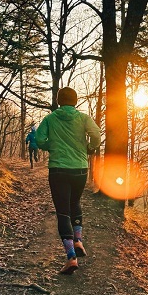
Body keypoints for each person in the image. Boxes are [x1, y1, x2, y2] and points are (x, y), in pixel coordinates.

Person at [35, 87, 101, 274]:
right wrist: (90, 147)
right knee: (75, 203)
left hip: (58, 169)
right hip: (80, 169)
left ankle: (71, 257)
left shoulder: (50, 118)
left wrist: (53, 146)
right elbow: (96, 134)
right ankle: (78, 240)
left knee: (63, 211)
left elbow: (39, 140)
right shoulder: (83, 118)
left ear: (58, 100)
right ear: (76, 100)